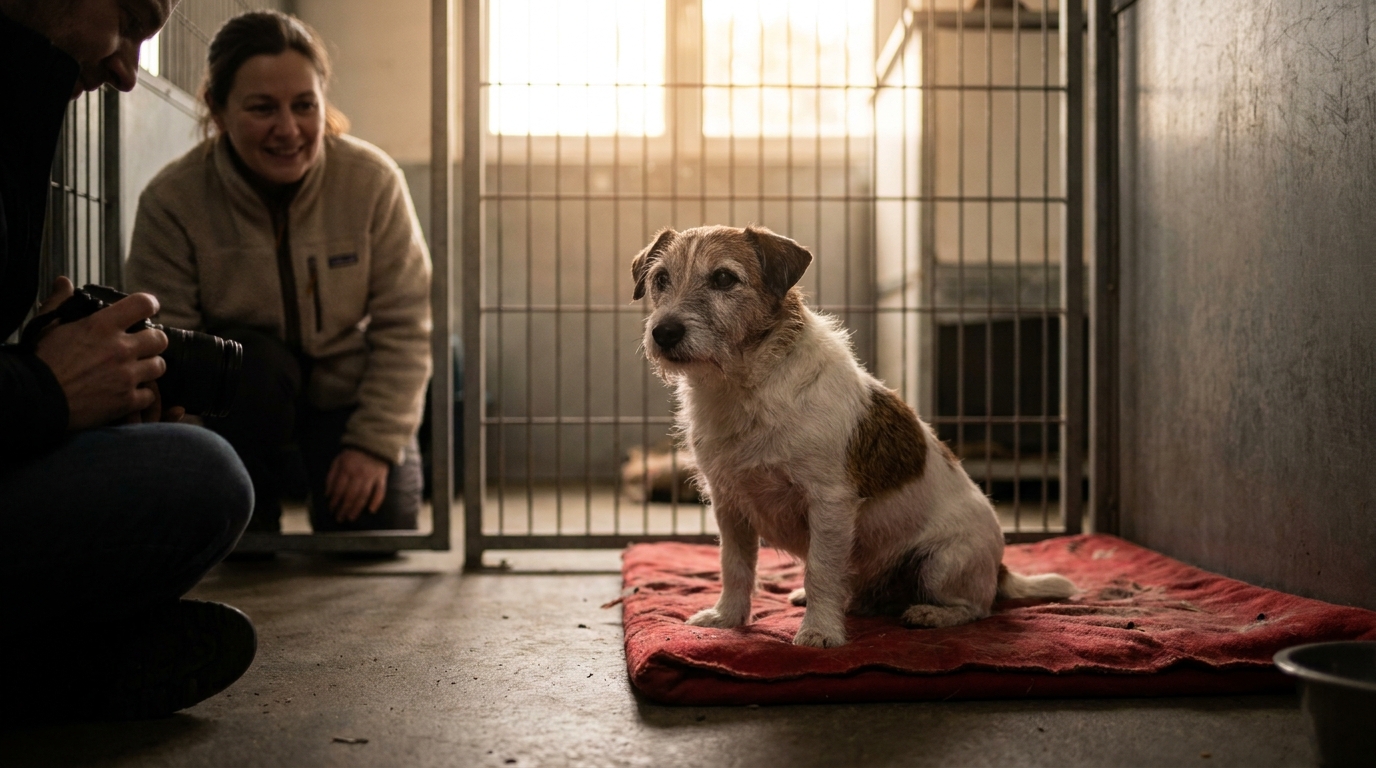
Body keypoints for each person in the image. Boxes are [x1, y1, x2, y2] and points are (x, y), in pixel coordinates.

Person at [0, 0, 257, 720]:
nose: (126, 73)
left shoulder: (25, 91)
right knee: (201, 475)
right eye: (133, 20)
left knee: (193, 460)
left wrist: (79, 372)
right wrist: (49, 387)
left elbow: (404, 323)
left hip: (329, 395)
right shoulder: (180, 191)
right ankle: (47, 668)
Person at [125, 10, 432, 538]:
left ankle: (327, 473)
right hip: (245, 402)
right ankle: (254, 508)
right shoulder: (172, 201)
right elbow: (167, 348)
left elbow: (406, 324)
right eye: (263, 108)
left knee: (380, 530)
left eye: (304, 106)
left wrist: (374, 446)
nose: (288, 130)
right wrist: (199, 469)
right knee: (233, 523)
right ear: (218, 110)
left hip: (345, 396)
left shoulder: (372, 181)